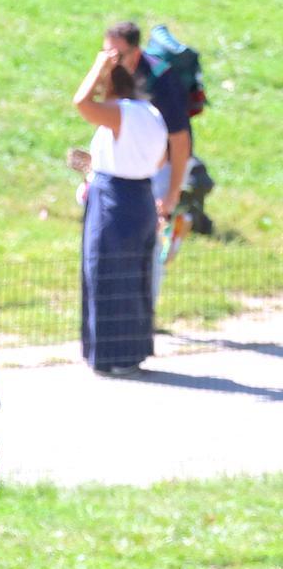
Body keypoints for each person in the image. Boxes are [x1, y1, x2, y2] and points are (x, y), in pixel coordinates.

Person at [74, 48, 167, 375]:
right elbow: (158, 161)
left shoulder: (121, 111)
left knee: (104, 273)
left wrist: (99, 62)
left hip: (114, 200)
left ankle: (107, 356)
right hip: (141, 196)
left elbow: (81, 103)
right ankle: (132, 352)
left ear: (111, 88)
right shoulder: (152, 113)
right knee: (134, 276)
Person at [103, 22, 192, 305]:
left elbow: (180, 141)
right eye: (107, 52)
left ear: (136, 51)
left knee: (151, 240)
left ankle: (146, 313)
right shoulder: (116, 75)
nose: (112, 59)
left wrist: (172, 193)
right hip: (131, 167)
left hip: (162, 168)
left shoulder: (160, 80)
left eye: (118, 54)